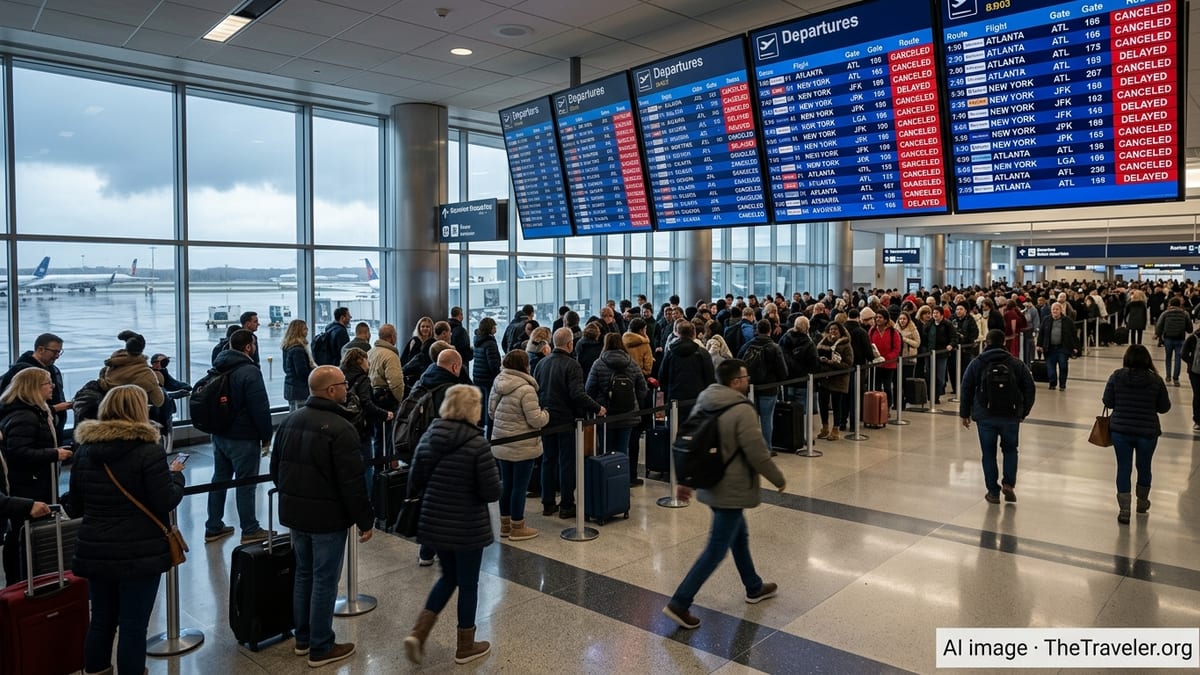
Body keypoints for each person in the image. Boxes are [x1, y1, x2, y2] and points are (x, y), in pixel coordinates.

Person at [68, 385, 185, 675]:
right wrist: (176, 479)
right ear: (139, 410)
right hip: (139, 550)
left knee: (102, 620)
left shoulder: (84, 451)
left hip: (95, 547)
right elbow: (165, 499)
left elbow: (75, 506)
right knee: (133, 625)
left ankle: (95, 671)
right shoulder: (148, 451)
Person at [661, 359, 786, 630]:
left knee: (739, 537)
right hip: (732, 487)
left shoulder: (705, 399)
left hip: (710, 480)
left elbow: (691, 441)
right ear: (735, 382)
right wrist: (778, 478)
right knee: (717, 549)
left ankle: (753, 586)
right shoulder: (742, 409)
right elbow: (757, 451)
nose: (748, 379)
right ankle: (680, 602)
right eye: (745, 376)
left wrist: (686, 480)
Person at [271, 365, 374, 668]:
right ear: (331, 391)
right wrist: (366, 520)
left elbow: (276, 470)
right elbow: (352, 483)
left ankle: (302, 638)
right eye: (343, 384)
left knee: (304, 574)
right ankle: (321, 646)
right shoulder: (341, 428)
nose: (347, 389)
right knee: (325, 580)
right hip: (327, 517)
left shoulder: (289, 421)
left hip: (295, 514)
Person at [403, 385, 500, 666]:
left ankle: (419, 633)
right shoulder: (477, 443)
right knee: (468, 583)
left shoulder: (429, 436)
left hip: (434, 521)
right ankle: (466, 645)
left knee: (448, 577)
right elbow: (491, 492)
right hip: (468, 525)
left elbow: (415, 479)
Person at [0, 368, 72, 583]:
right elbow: (18, 452)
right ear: (33, 388)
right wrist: (54, 453)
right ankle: (21, 579)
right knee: (21, 534)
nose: (53, 387)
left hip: (33, 480)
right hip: (27, 484)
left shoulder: (34, 412)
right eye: (47, 383)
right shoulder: (25, 417)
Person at [205, 329, 274, 545]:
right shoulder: (249, 371)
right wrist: (266, 436)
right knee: (246, 484)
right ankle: (250, 528)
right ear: (248, 347)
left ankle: (213, 526)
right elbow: (260, 407)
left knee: (219, 479)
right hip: (243, 436)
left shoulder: (219, 364)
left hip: (219, 434)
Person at [959, 330, 1036, 504]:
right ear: (1004, 343)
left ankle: (993, 492)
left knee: (988, 453)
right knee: (1010, 450)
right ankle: (1008, 483)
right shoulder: (1016, 363)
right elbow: (1030, 388)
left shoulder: (977, 363)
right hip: (1010, 416)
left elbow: (966, 388)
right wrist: (1023, 411)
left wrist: (965, 413)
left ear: (986, 343)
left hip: (985, 416)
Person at [534, 328, 604, 520]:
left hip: (546, 418)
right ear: (570, 344)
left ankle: (547, 503)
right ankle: (566, 504)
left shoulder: (541, 363)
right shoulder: (572, 365)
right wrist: (597, 407)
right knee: (567, 463)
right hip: (566, 420)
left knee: (548, 461)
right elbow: (577, 394)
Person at [1102, 345, 1170, 524]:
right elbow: (1164, 407)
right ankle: (1142, 502)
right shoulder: (1156, 380)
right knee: (1144, 466)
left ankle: (1124, 510)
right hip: (1147, 433)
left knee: (1123, 468)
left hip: (1120, 431)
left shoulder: (1116, 376)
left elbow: (1108, 401)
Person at [488, 350, 549, 542]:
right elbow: (536, 420)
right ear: (525, 365)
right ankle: (517, 526)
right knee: (519, 487)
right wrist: (546, 414)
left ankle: (505, 525)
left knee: (506, 484)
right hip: (522, 444)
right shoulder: (526, 389)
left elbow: (491, 413)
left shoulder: (498, 382)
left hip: (501, 441)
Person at [585, 333, 647, 459]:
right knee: (623, 450)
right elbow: (643, 388)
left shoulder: (598, 363)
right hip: (628, 413)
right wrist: (635, 402)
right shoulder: (632, 363)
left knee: (605, 450)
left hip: (606, 414)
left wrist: (597, 406)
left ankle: (605, 477)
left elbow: (589, 389)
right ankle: (621, 476)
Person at [341, 348, 394, 496]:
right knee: (367, 466)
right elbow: (366, 403)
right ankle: (368, 499)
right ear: (359, 360)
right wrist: (385, 414)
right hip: (361, 428)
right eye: (366, 360)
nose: (368, 363)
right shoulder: (362, 378)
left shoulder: (341, 374)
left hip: (344, 426)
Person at [0, 333, 71, 440]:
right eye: (55, 351)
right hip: (35, 432)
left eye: (59, 352)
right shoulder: (24, 372)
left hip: (50, 428)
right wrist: (56, 408)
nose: (57, 355)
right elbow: (21, 404)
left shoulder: (51, 369)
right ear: (41, 349)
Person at [737, 320, 788, 448]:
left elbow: (738, 361)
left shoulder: (747, 345)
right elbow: (783, 372)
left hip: (750, 388)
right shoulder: (775, 347)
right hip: (769, 389)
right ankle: (766, 448)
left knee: (751, 419)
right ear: (769, 330)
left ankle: (751, 447)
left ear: (757, 330)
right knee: (766, 419)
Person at [659, 322, 716, 422]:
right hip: (698, 399)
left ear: (678, 333)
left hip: (674, 398)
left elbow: (662, 376)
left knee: (674, 431)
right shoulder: (702, 353)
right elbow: (710, 377)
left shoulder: (670, 352)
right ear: (694, 333)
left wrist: (668, 392)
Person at [97, 331, 165, 408]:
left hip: (108, 410)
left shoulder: (107, 370)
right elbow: (159, 401)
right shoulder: (147, 374)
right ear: (141, 350)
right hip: (134, 413)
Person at [368, 323, 405, 458]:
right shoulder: (390, 356)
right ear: (391, 338)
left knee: (378, 436)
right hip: (386, 400)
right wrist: (400, 399)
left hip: (373, 397)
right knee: (387, 436)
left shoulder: (370, 352)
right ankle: (386, 467)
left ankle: (378, 468)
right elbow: (396, 382)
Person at [815, 322, 853, 441]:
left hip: (838, 379)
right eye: (831, 329)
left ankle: (836, 429)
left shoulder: (846, 345)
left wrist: (831, 362)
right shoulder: (822, 343)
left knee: (837, 405)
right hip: (824, 379)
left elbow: (848, 364)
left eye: (835, 329)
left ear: (840, 331)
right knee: (822, 404)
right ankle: (824, 427)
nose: (833, 332)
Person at [1036, 303, 1078, 391]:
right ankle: (1052, 383)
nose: (1055, 311)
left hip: (1063, 348)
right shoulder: (1046, 319)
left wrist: (1075, 347)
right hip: (1049, 348)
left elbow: (1073, 334)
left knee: (1063, 366)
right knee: (1050, 367)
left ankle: (1062, 384)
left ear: (1061, 310)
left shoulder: (1067, 320)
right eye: (1053, 309)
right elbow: (1041, 333)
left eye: (1057, 309)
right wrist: (1039, 345)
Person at [471, 317, 502, 431]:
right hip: (489, 379)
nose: (495, 329)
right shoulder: (490, 343)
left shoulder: (478, 340)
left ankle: (478, 433)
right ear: (490, 328)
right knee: (490, 409)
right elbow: (493, 364)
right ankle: (489, 437)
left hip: (478, 378)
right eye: (494, 327)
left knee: (480, 408)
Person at [1155, 297, 1192, 386]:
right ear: (1180, 304)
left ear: (1170, 304)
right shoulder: (1185, 314)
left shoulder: (1165, 313)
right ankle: (1176, 378)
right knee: (1178, 358)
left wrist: (1157, 334)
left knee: (1168, 357)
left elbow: (1159, 324)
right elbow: (1189, 328)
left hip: (1168, 338)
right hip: (1180, 338)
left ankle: (1168, 376)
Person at [282, 319, 315, 411]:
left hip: (290, 387)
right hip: (300, 389)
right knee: (301, 415)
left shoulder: (287, 346)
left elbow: (285, 368)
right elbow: (302, 372)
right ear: (298, 331)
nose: (307, 331)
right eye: (305, 329)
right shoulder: (298, 350)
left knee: (293, 413)